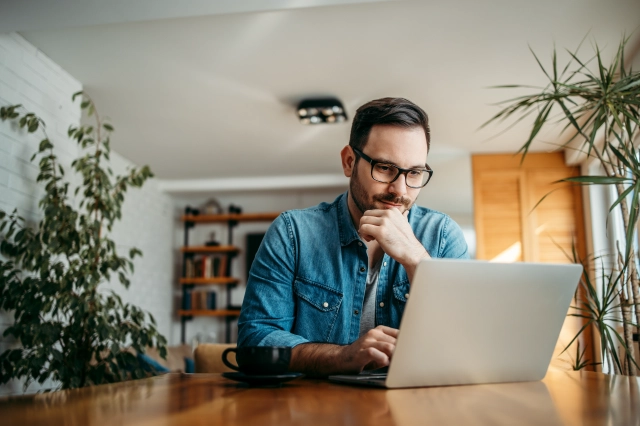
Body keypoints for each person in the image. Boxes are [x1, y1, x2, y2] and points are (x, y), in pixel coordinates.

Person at [238, 97, 469, 376]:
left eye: (415, 172)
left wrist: (417, 260)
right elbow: (255, 340)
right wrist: (342, 357)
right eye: (385, 168)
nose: (400, 190)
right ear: (349, 162)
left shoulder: (443, 236)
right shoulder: (292, 233)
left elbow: (466, 347)